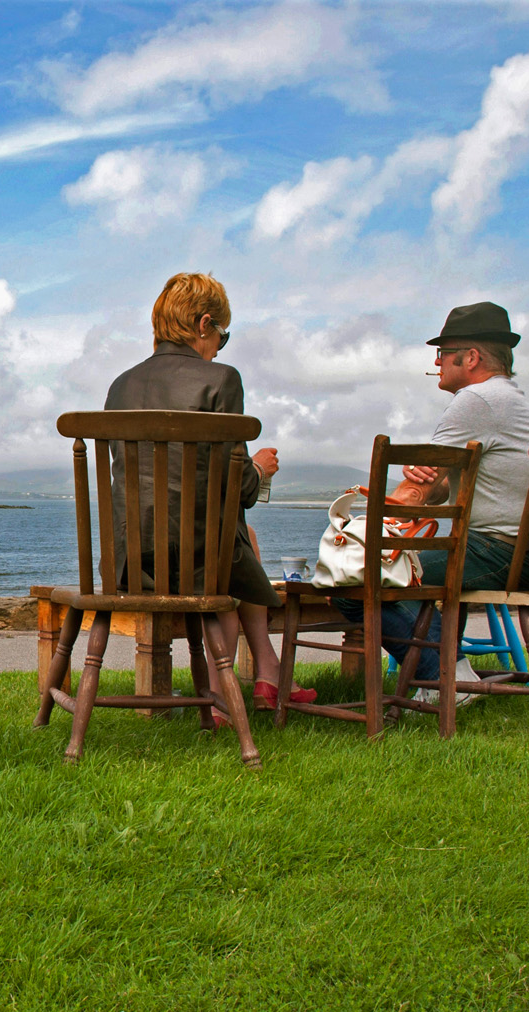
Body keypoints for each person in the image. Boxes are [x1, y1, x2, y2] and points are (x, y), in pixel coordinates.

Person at [104, 272, 316, 709]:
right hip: (196, 562)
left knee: (239, 538)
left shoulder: (119, 386)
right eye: (223, 335)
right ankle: (236, 689)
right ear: (204, 325)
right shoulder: (220, 379)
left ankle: (265, 676)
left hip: (129, 562)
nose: (220, 346)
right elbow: (237, 488)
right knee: (232, 544)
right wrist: (258, 468)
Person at [336, 301, 529, 696]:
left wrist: (359, 526)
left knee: (353, 579)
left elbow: (417, 489)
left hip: (500, 553)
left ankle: (446, 676)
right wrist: (432, 485)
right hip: (528, 553)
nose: (438, 362)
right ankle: (446, 668)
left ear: (470, 357)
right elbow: (443, 484)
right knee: (414, 572)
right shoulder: (512, 401)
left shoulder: (476, 400)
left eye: (443, 353)